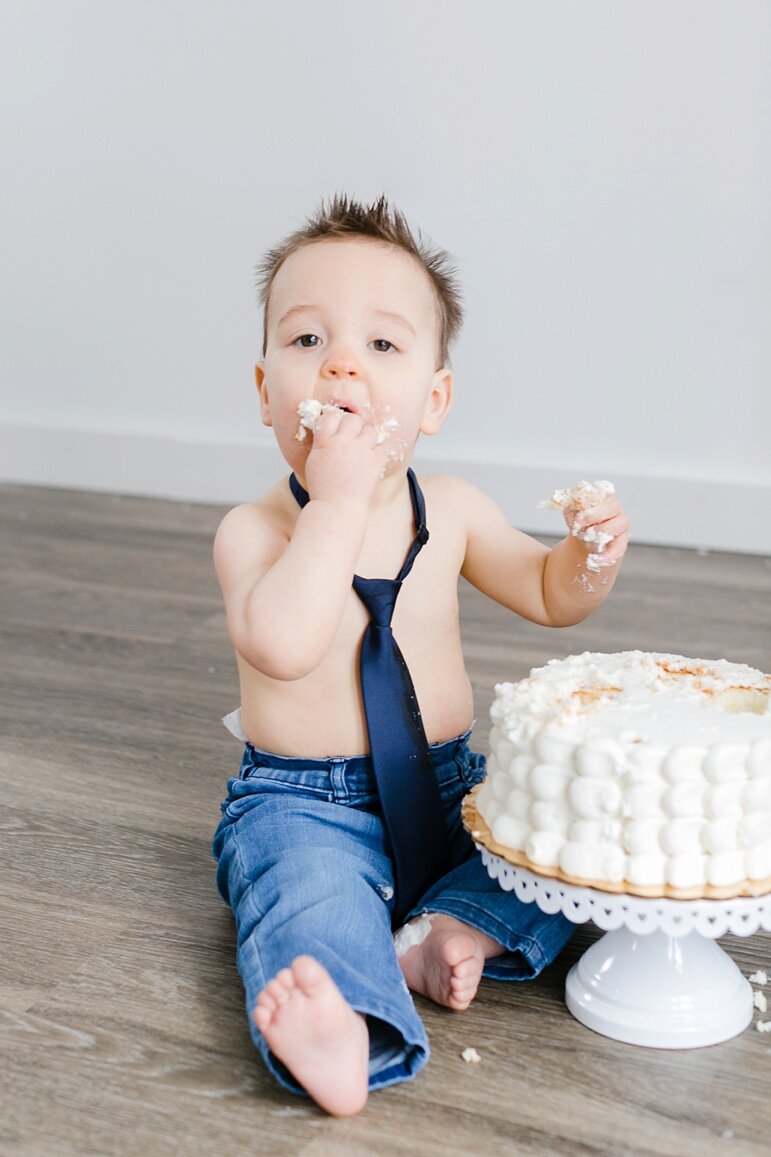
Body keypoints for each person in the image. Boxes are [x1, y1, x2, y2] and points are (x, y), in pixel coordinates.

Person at [211, 193, 630, 1116]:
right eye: (308, 340)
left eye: (383, 346)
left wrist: (586, 557)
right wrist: (337, 503)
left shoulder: (455, 509)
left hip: (450, 784)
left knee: (564, 844)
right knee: (306, 897)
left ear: (433, 399)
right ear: (264, 389)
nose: (344, 363)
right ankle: (346, 1023)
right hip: (305, 804)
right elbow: (282, 644)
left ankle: (449, 930)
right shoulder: (255, 531)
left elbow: (549, 594)